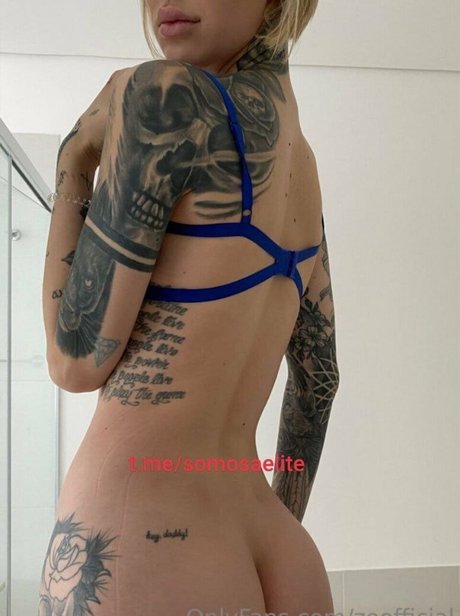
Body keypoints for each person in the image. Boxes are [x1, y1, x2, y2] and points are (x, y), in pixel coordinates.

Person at [39, 0, 340, 613]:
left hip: (140, 540)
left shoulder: (166, 95)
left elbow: (75, 363)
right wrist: (275, 522)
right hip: (277, 543)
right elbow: (320, 380)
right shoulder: (303, 164)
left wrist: (73, 160)